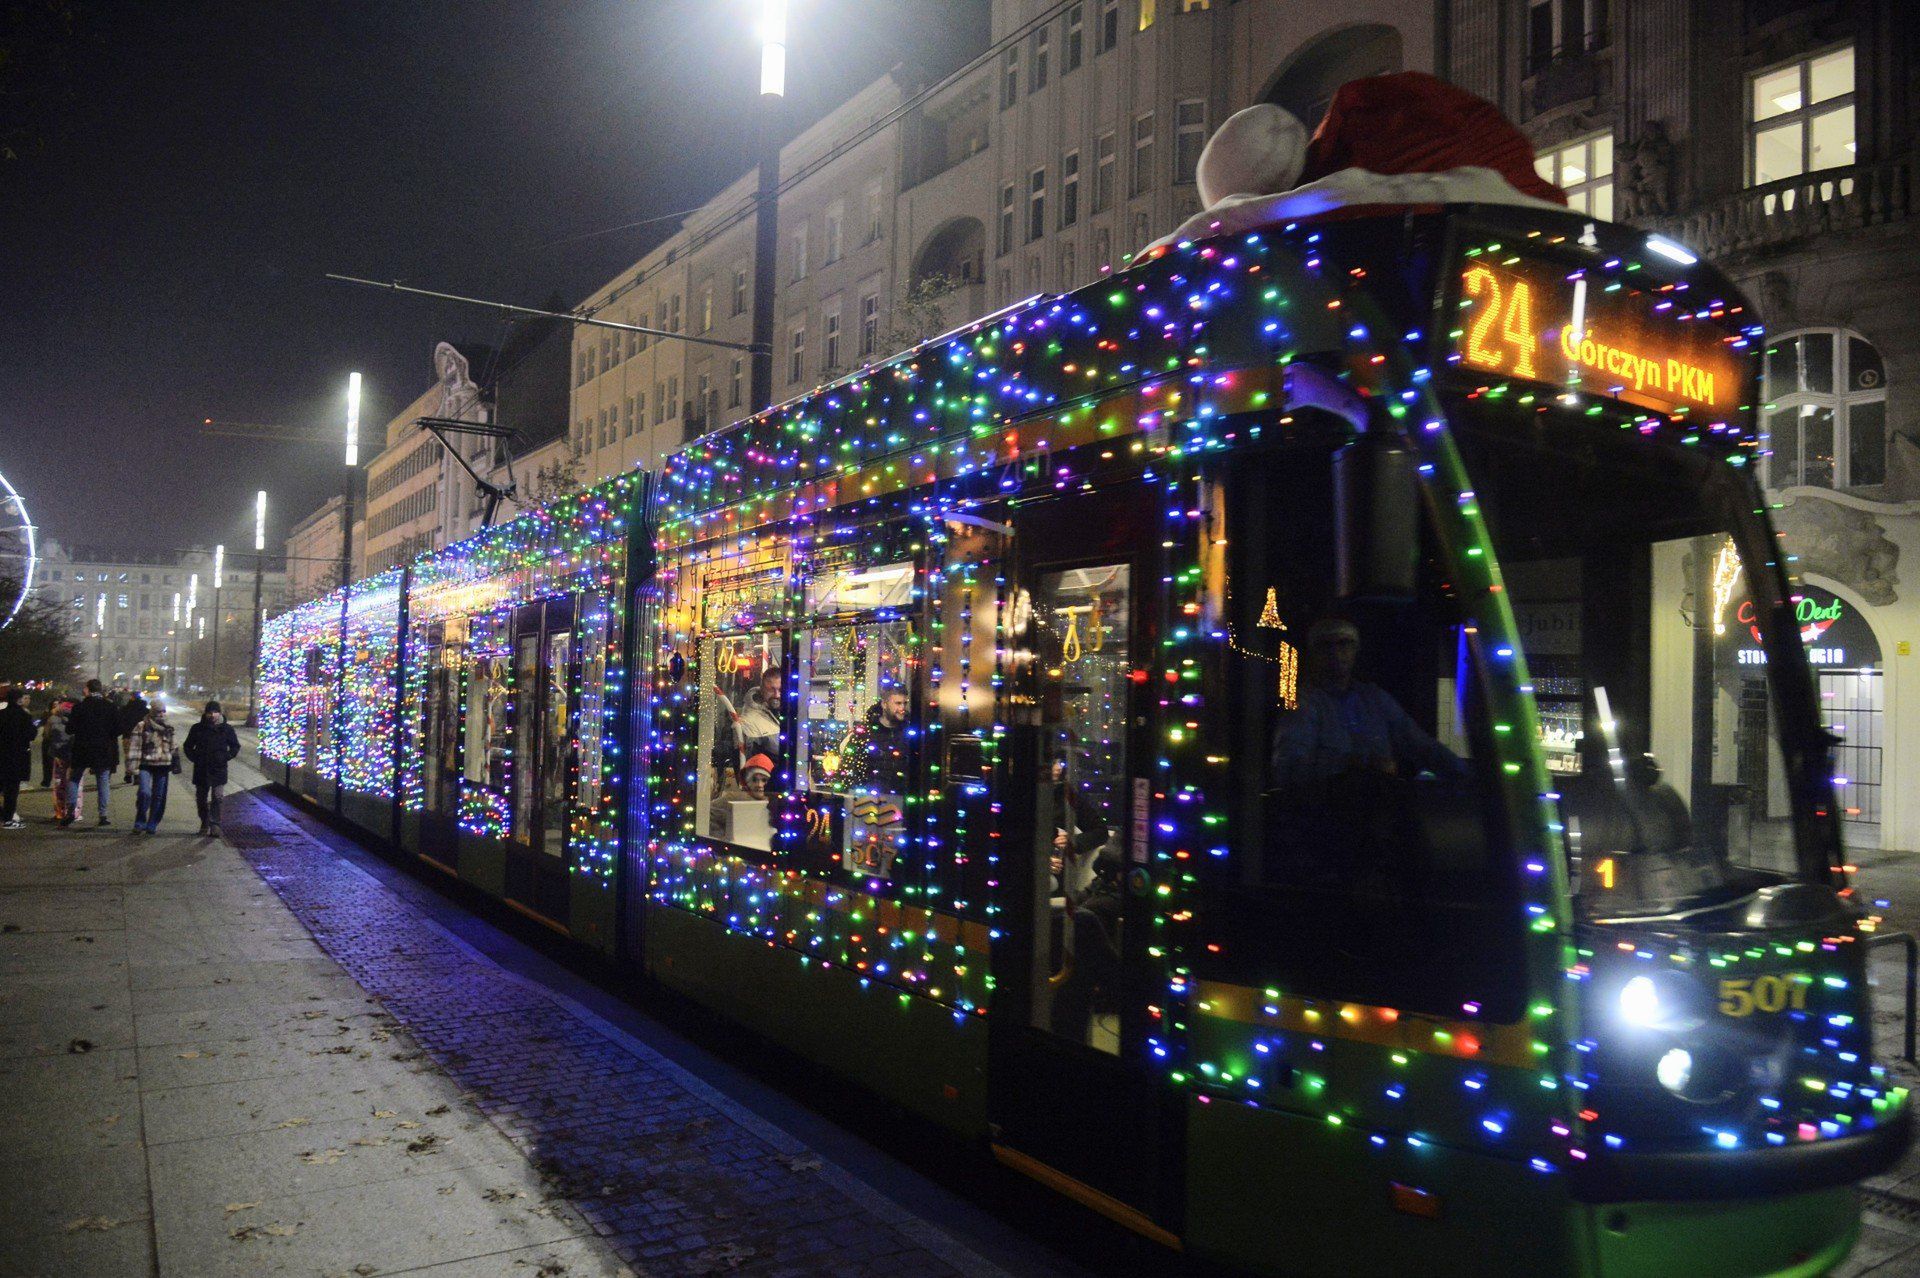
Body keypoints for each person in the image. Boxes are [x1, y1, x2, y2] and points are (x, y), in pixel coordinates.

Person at [1269, 617, 1461, 789]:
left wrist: (1468, 776)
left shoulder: (1374, 699)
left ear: (1355, 650)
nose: (1336, 652)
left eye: (1344, 644)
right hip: (1326, 815)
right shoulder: (1305, 703)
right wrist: (1357, 764)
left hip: (1381, 811)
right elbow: (1288, 769)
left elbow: (1420, 744)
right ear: (1313, 653)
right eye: (1326, 645)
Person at [712, 664, 782, 787]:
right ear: (762, 689)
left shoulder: (784, 716)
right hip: (768, 793)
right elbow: (747, 770)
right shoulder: (748, 723)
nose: (777, 694)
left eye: (780, 690)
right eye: (771, 689)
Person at [64, 678, 119, 827]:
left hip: (82, 747)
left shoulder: (79, 707)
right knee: (102, 780)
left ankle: (70, 812)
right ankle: (103, 815)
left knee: (75, 778)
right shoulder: (110, 707)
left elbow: (69, 729)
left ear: (88, 689)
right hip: (102, 748)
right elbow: (117, 730)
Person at [183, 700, 242, 837]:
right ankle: (204, 821)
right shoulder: (197, 728)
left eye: (215, 712)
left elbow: (235, 746)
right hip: (201, 768)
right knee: (201, 798)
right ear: (205, 714)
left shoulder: (227, 729)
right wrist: (196, 758)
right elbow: (188, 746)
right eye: (209, 712)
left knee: (217, 796)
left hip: (219, 768)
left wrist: (225, 756)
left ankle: (215, 824)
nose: (212, 715)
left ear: (219, 713)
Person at [1624, 753, 1692, 856]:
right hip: (1660, 859)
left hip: (1662, 859)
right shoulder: (1666, 793)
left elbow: (1684, 830)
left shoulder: (1666, 794)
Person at [126, 698, 177, 834]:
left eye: (163, 711)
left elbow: (173, 745)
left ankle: (153, 822)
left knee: (159, 796)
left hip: (163, 764)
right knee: (144, 792)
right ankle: (140, 821)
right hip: (145, 764)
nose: (162, 714)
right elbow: (134, 747)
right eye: (159, 711)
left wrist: (172, 756)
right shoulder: (142, 726)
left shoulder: (168, 727)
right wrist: (133, 767)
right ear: (152, 712)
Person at [846, 684, 911, 793]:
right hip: (869, 799)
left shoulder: (909, 731)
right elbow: (849, 766)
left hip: (902, 799)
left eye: (905, 703)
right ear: (884, 704)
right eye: (898, 703)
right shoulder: (865, 733)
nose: (902, 708)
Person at [0, 687, 37, 830]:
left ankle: (7, 817)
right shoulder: (24, 716)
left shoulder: (2, 714)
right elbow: (32, 734)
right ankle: (8, 819)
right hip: (17, 757)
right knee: (11, 790)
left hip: (2, 755)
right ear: (19, 699)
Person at [46, 702, 75, 824]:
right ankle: (74, 812)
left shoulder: (52, 719)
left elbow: (47, 736)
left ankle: (60, 811)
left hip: (58, 755)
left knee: (59, 784)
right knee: (74, 783)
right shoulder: (77, 719)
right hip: (73, 755)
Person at [38, 698, 62, 788]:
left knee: (58, 762)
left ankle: (58, 780)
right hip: (48, 740)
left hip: (58, 740)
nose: (56, 706)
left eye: (57, 704)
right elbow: (42, 723)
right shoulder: (47, 714)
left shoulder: (62, 714)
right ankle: (46, 781)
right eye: (54, 704)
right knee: (47, 761)